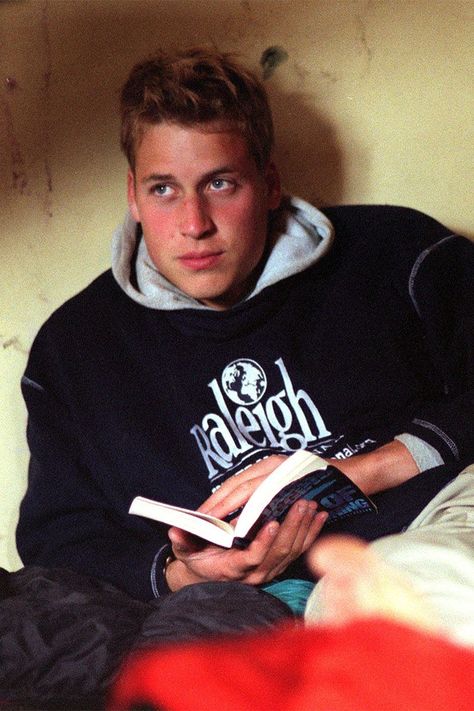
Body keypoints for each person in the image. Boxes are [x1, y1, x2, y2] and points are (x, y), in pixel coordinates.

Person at [16, 48, 474, 622]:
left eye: (221, 184)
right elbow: (57, 536)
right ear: (133, 195)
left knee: (381, 608)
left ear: (270, 182)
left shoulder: (398, 254)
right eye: (164, 190)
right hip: (236, 603)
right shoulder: (74, 350)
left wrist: (365, 469)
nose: (194, 223)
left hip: (433, 522)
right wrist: (181, 574)